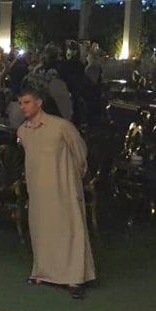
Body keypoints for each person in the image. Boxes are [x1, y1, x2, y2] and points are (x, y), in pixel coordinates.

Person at [17, 86, 96, 299]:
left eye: (27, 102)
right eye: (21, 103)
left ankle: (74, 277)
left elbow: (80, 151)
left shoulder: (61, 126)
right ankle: (42, 272)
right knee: (41, 228)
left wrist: (74, 176)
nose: (23, 107)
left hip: (64, 187)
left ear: (39, 103)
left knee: (69, 229)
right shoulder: (23, 131)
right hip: (38, 189)